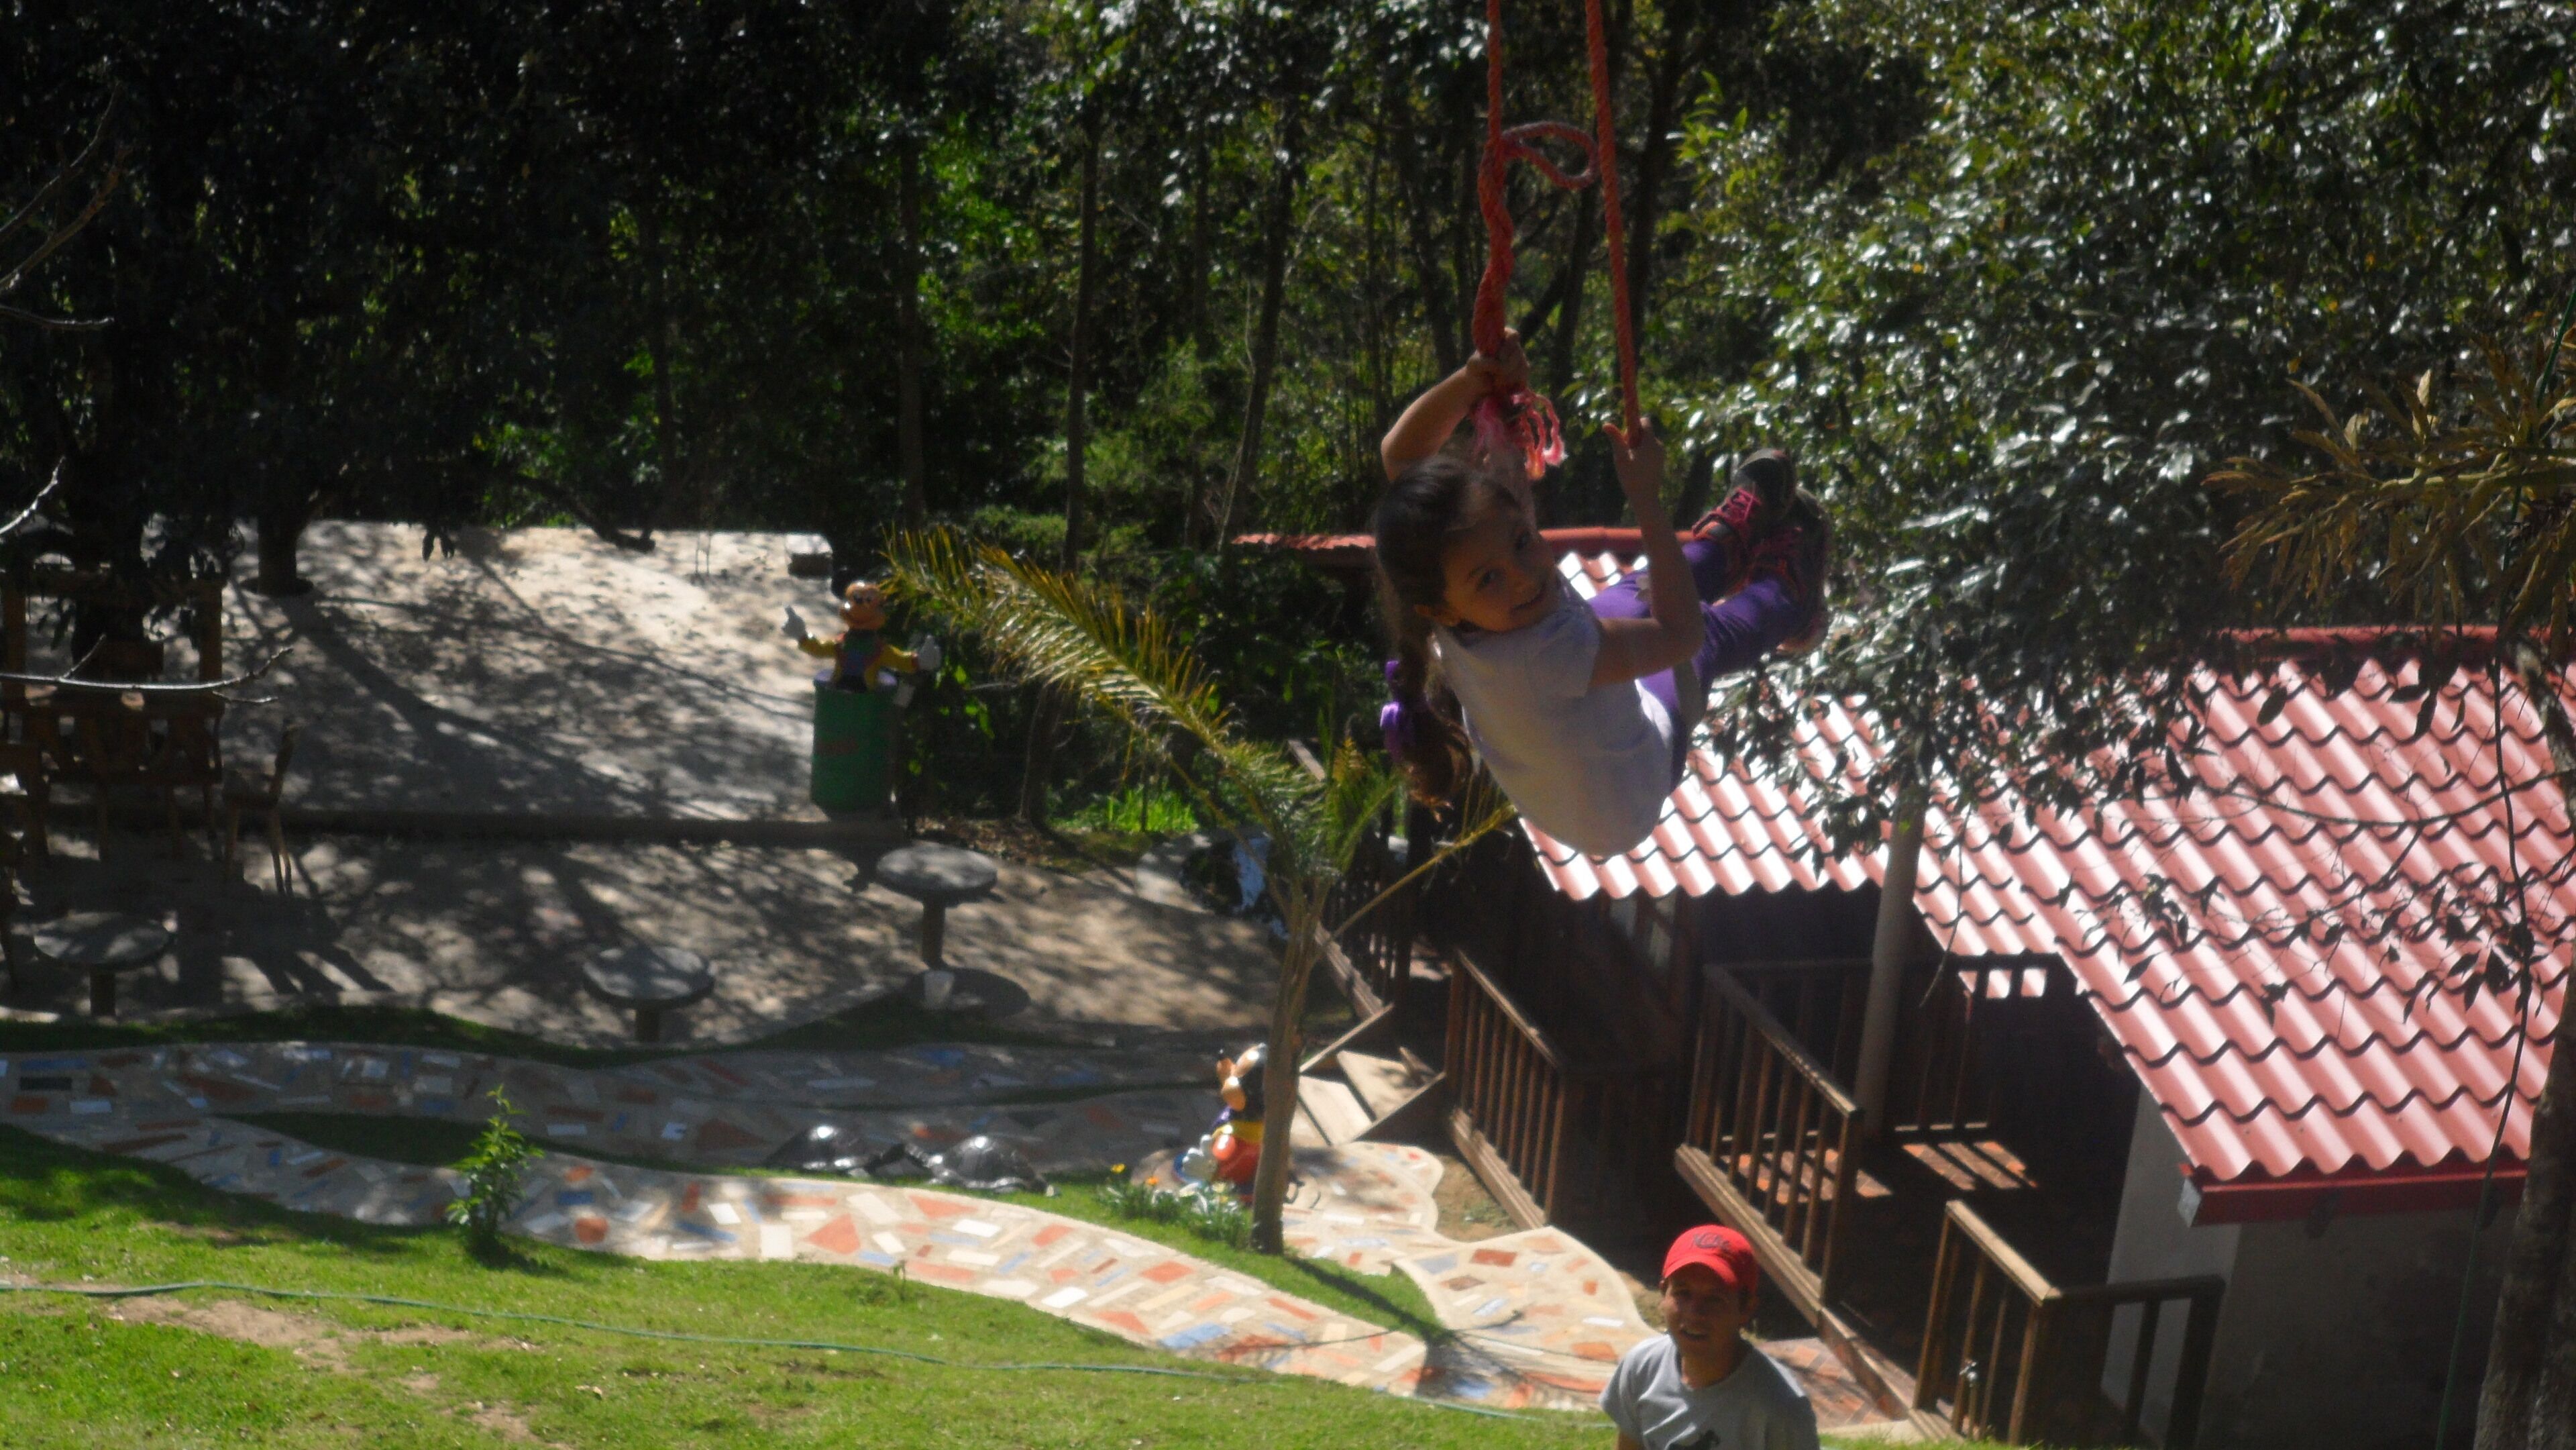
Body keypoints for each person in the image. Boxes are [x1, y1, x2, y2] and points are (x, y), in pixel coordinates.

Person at [1373, 334, 1830, 858]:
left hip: (1573, 763)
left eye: (1523, 542)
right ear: (1442, 609)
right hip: (1629, 785)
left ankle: (1725, 544)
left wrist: (1472, 380)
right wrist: (1645, 498)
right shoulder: (1551, 652)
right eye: (1490, 579)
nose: (1523, 576)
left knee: (1641, 590)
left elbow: (1400, 455)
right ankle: (1790, 594)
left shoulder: (1445, 580)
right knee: (1709, 638)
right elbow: (1681, 635)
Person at [1603, 1224, 1821, 1450]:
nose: (1695, 1312)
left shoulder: (1781, 1407)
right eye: (1683, 1293)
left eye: (1715, 1298)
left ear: (1746, 1308)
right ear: (1663, 1294)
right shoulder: (1641, 1368)